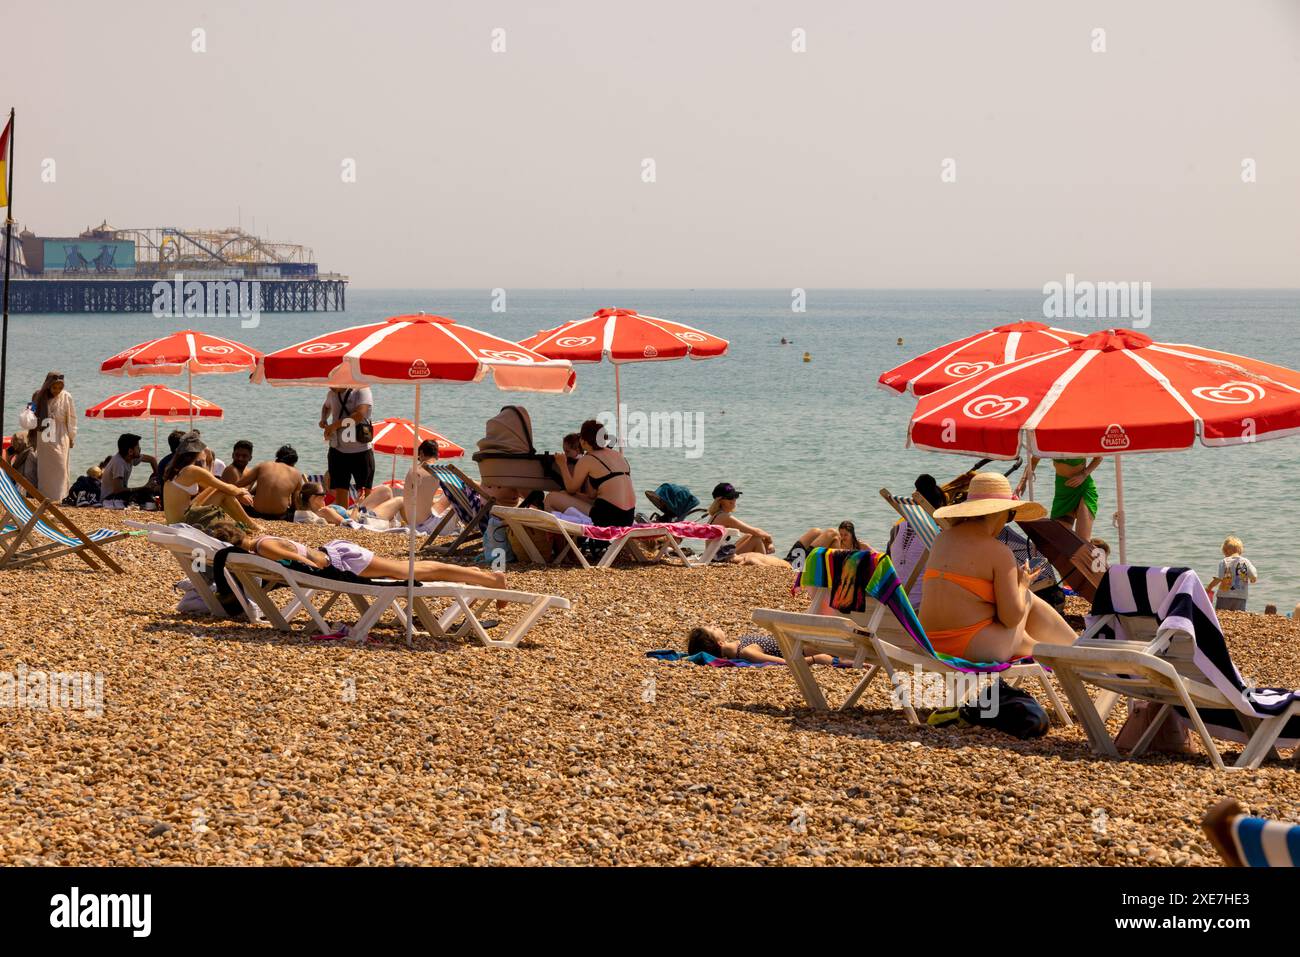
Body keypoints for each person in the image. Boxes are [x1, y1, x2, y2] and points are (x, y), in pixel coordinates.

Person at [921, 472, 1076, 663]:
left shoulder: (942, 539)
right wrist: (1022, 584)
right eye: (1010, 515)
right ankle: (1079, 651)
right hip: (974, 649)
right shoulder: (998, 551)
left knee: (1028, 641)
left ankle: (1071, 651)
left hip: (930, 645)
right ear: (999, 513)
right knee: (1026, 598)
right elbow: (1010, 619)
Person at [205, 519, 508, 593]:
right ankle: (485, 578)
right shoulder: (260, 541)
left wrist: (320, 575)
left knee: (413, 572)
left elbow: (306, 563)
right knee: (410, 570)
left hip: (342, 560)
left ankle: (490, 578)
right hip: (341, 556)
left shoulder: (262, 547)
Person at [552, 419, 635, 526]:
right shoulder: (618, 456)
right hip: (628, 517)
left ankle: (558, 541)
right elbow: (592, 495)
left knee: (551, 498)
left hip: (608, 517)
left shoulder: (588, 458)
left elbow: (571, 489)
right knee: (563, 495)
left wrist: (562, 464)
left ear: (583, 441)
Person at [888, 473, 948, 609]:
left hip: (895, 603)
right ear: (938, 508)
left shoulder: (897, 529)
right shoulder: (941, 535)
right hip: (920, 608)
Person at [161, 446, 257, 527]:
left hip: (173, 522)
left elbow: (211, 485)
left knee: (219, 489)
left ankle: (246, 524)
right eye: (204, 456)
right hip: (183, 524)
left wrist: (238, 493)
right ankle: (251, 525)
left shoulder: (176, 469)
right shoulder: (192, 470)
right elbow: (225, 488)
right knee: (223, 493)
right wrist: (242, 492)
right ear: (197, 454)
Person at [1015, 456, 1103, 540]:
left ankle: (1093, 553)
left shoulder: (1079, 440)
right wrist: (1023, 482)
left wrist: (1083, 475)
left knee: (1083, 540)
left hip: (1083, 488)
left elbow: (1099, 457)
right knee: (1058, 539)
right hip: (1062, 491)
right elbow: (1033, 462)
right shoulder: (1048, 441)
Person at [320, 385, 375, 505]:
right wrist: (323, 419)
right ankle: (343, 520)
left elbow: (359, 415)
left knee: (365, 492)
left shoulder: (361, 390)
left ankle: (364, 518)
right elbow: (326, 406)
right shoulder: (331, 394)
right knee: (340, 489)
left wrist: (334, 426)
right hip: (337, 450)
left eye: (334, 382)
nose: (330, 386)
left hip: (361, 450)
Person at [687, 625, 841, 666]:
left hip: (800, 641)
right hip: (805, 648)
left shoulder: (740, 645)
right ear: (720, 643)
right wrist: (815, 659)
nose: (715, 625)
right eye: (713, 629)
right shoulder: (747, 652)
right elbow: (786, 663)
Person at [31, 371, 76, 501]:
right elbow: (31, 410)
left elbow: (72, 418)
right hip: (44, 436)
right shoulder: (40, 396)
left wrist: (72, 436)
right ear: (48, 385)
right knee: (45, 469)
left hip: (61, 435)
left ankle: (61, 497)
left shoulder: (67, 396)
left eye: (60, 388)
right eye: (54, 387)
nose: (57, 391)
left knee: (61, 467)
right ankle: (45, 497)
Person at [236, 445, 305, 521]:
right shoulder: (297, 474)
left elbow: (238, 484)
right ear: (293, 463)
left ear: (277, 458)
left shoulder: (263, 465)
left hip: (254, 513)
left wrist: (244, 494)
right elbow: (295, 504)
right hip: (279, 517)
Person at [294, 481, 407, 527]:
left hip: (355, 511)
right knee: (400, 500)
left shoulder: (317, 511)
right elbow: (350, 525)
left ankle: (391, 523)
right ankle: (411, 526)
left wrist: (357, 505)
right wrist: (357, 505)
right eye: (322, 494)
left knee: (385, 490)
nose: (325, 495)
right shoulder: (324, 511)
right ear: (313, 498)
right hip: (363, 518)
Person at [706, 483, 773, 554]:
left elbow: (752, 532)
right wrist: (769, 540)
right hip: (718, 557)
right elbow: (755, 531)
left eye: (735, 496)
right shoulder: (724, 517)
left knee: (749, 535)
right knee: (756, 539)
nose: (734, 499)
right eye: (730, 497)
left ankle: (765, 556)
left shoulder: (717, 514)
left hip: (715, 553)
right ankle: (764, 562)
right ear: (720, 500)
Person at [401, 440, 451, 530]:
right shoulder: (437, 472)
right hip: (427, 524)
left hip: (412, 522)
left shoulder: (411, 469)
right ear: (437, 455)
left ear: (421, 453)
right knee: (449, 496)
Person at [100, 433, 159, 507]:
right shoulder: (119, 463)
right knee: (143, 493)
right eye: (138, 447)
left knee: (148, 493)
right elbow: (117, 490)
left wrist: (157, 478)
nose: (140, 449)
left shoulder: (130, 458)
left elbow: (152, 460)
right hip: (110, 498)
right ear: (130, 451)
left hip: (120, 494)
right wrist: (143, 487)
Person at [544, 433, 594, 513]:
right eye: (564, 451)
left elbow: (573, 490)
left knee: (557, 494)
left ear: (577, 450)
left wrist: (562, 464)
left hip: (584, 501)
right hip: (587, 502)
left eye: (567, 451)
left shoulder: (577, 464)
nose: (565, 455)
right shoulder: (588, 460)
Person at [1207, 536, 1257, 612]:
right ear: (1240, 550)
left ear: (1225, 551)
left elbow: (1219, 578)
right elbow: (1253, 576)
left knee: (1222, 617)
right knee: (1238, 618)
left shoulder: (1224, 561)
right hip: (1241, 597)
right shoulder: (1246, 562)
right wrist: (1253, 579)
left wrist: (1209, 587)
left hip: (1224, 596)